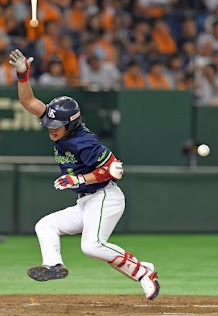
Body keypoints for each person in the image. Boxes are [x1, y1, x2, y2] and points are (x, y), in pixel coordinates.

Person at [9, 49, 160, 302]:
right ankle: (54, 266)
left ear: (71, 123)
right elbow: (28, 102)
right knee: (45, 225)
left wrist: (79, 179)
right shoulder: (60, 122)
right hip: (86, 201)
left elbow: (114, 170)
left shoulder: (85, 141)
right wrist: (23, 75)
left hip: (105, 197)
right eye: (50, 124)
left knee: (92, 246)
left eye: (56, 126)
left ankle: (144, 271)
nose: (51, 129)